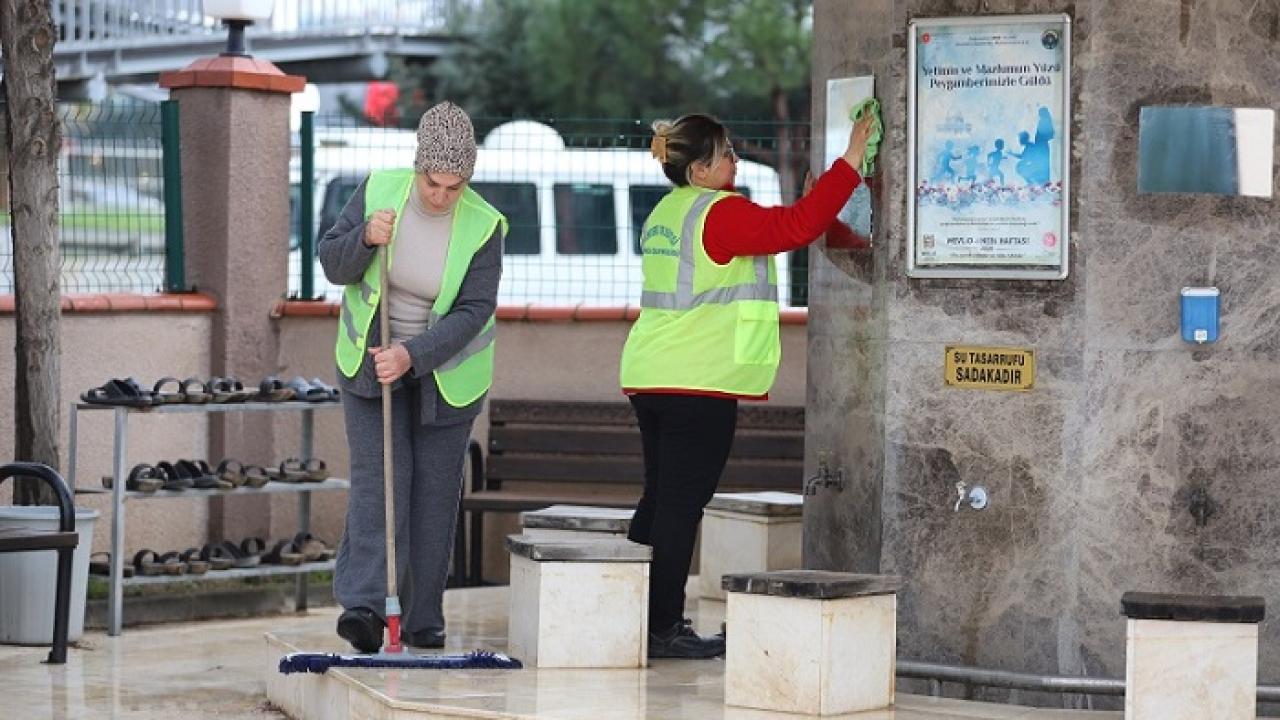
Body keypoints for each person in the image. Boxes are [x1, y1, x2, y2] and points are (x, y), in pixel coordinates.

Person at [619, 112, 874, 658]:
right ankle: (663, 628)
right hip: (697, 381)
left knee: (660, 499)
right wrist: (851, 161)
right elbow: (794, 228)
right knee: (681, 506)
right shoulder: (720, 212)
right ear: (700, 169)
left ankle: (633, 616)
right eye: (726, 153)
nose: (735, 161)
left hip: (652, 374)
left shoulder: (668, 211)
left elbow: (783, 223)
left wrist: (815, 198)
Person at [318, 101, 506, 654]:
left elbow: (474, 310)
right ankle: (365, 608)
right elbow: (332, 262)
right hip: (369, 362)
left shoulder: (484, 224)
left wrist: (412, 355)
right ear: (418, 165)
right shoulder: (379, 191)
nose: (441, 196)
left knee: (433, 494)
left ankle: (423, 617)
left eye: (454, 187)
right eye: (432, 182)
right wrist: (364, 240)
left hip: (447, 373)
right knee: (380, 483)